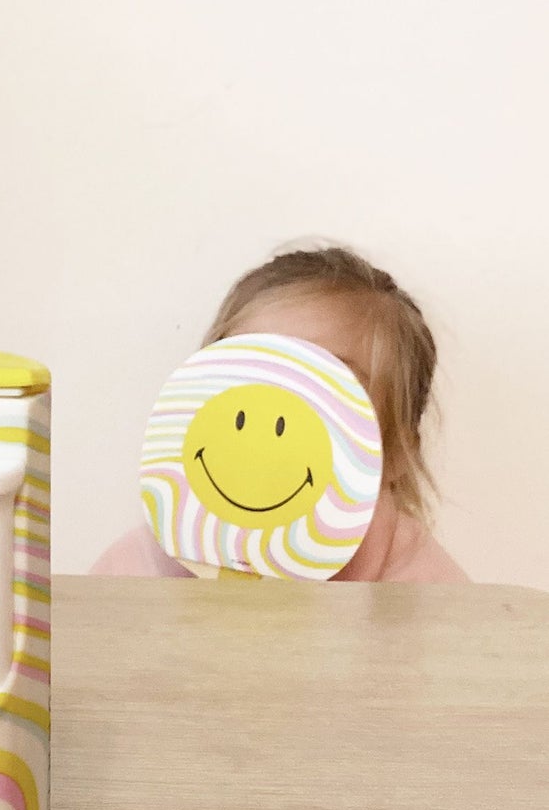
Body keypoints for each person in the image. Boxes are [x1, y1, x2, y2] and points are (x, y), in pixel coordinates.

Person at [93, 246, 468, 582]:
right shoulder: (147, 561)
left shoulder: (418, 587)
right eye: (250, 376)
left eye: (327, 389)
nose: (268, 426)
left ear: (396, 456)